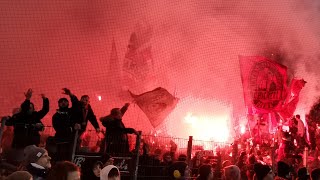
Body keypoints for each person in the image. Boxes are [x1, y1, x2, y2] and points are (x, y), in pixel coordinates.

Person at [51, 88, 79, 161]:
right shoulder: (56, 115)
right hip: (61, 140)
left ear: (68, 103)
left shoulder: (71, 112)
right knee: (61, 158)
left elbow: (76, 104)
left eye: (65, 101)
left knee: (69, 159)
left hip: (71, 140)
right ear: (59, 104)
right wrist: (71, 129)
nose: (63, 103)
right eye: (61, 102)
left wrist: (70, 94)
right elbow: (57, 128)